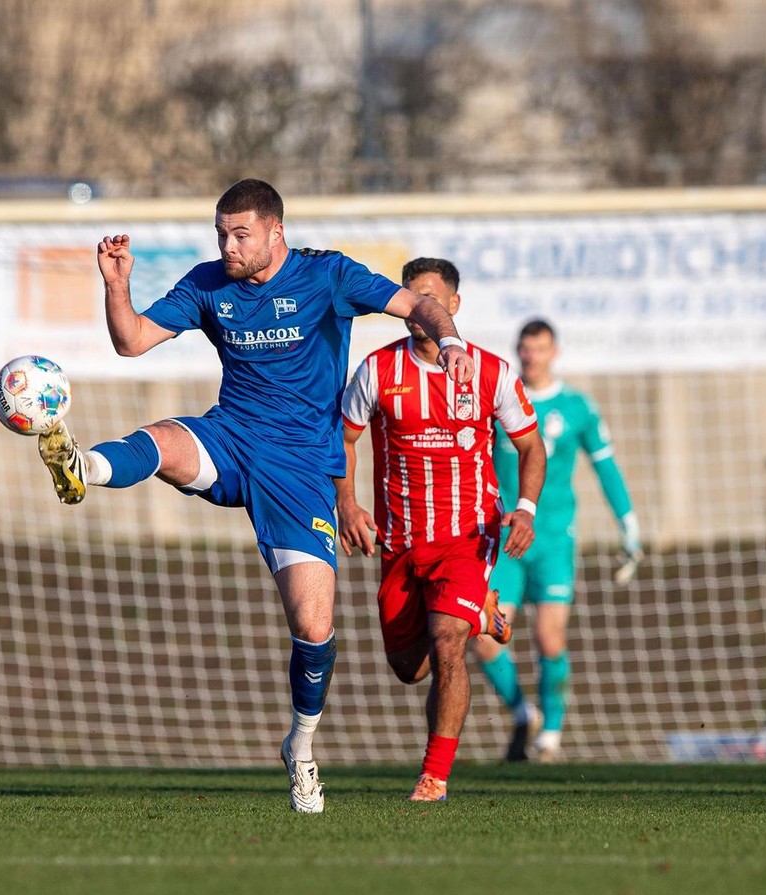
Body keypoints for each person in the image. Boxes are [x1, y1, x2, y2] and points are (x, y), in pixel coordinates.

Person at [33, 179, 474, 813]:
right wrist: (115, 282)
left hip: (301, 471)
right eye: (221, 234)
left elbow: (419, 308)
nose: (228, 245)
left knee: (314, 629)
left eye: (240, 234)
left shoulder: (330, 277)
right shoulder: (210, 283)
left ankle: (300, 747)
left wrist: (452, 342)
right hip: (234, 437)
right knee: (162, 439)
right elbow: (131, 341)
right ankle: (83, 466)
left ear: (276, 232)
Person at [335, 257, 546, 802]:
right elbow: (346, 440)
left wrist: (524, 508)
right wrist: (348, 504)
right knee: (411, 668)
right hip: (401, 540)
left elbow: (529, 445)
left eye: (431, 297)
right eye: (412, 299)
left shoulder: (491, 372)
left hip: (469, 535)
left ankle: (434, 776)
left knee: (447, 642)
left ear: (453, 305)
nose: (420, 308)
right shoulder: (378, 371)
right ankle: (479, 611)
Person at [474, 318, 641, 763]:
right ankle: (522, 712)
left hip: (553, 542)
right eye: (525, 349)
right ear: (518, 351)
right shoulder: (501, 400)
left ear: (555, 352)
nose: (532, 356)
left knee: (550, 639)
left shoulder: (576, 407)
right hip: (504, 542)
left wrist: (629, 525)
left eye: (540, 349)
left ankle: (550, 736)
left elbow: (605, 466)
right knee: (485, 639)